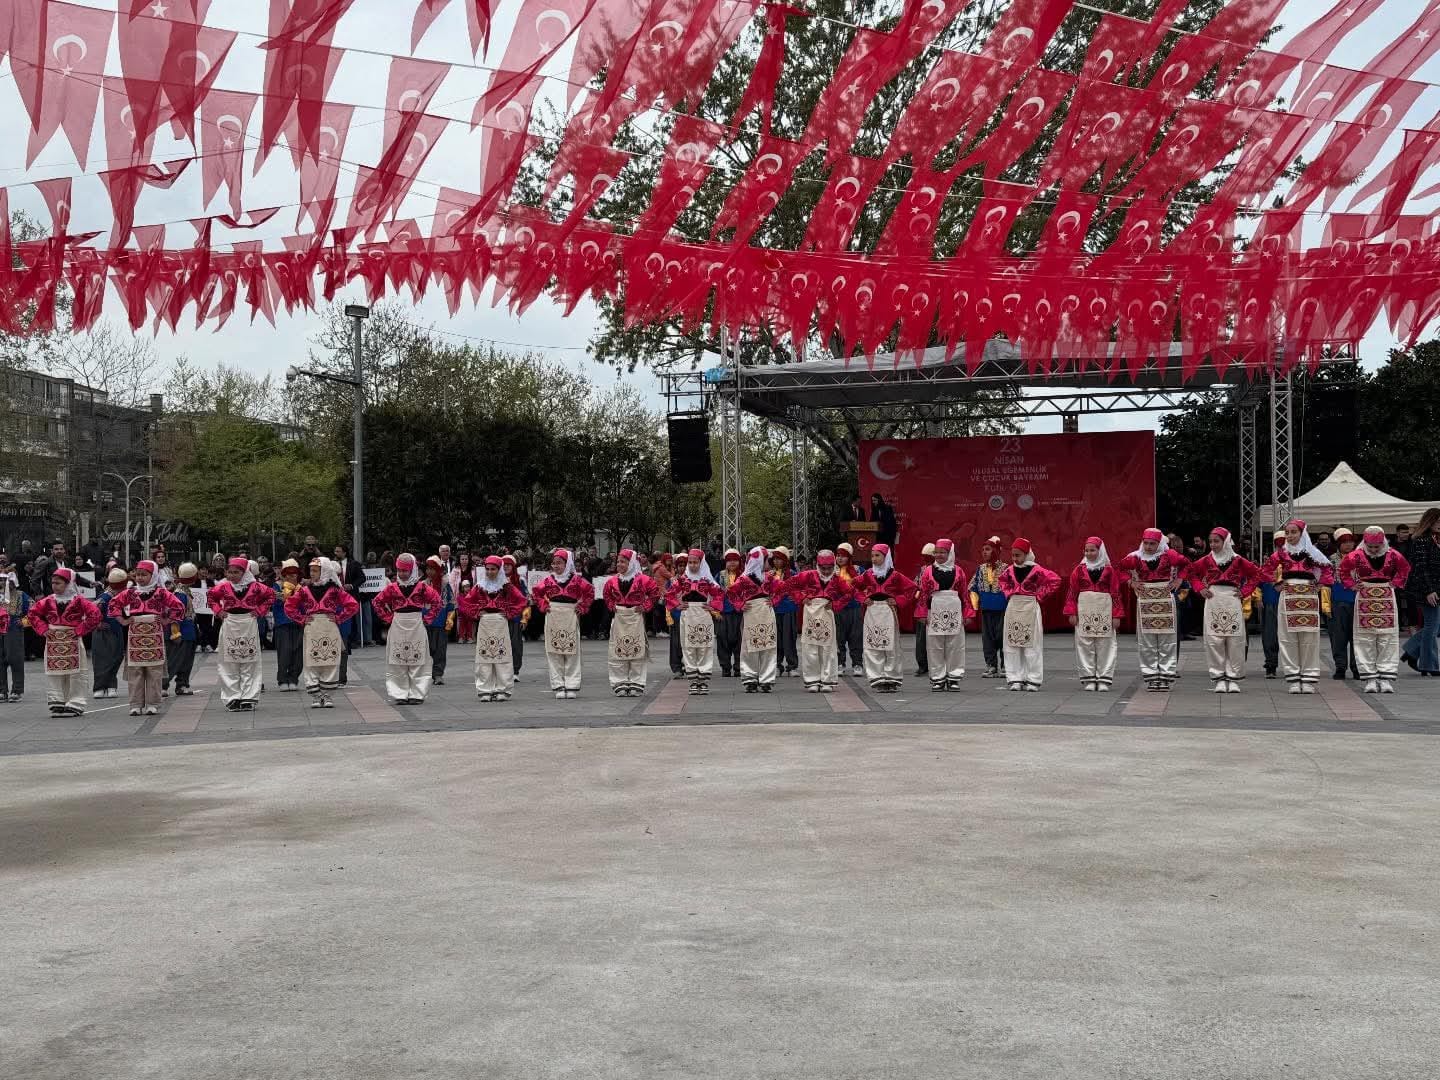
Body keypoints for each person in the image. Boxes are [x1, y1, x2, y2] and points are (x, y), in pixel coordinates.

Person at [1262, 519, 1337, 694]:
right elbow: (1264, 570)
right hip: (1287, 597)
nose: (1290, 536)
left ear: (1302, 533)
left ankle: (1309, 677)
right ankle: (1294, 678)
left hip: (1308, 597)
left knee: (1309, 638)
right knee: (1288, 638)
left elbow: (1328, 569)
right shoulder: (1280, 553)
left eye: (1293, 532)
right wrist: (1277, 583)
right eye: (1287, 532)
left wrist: (1320, 585)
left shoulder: (1313, 552)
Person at [1184, 527, 1262, 694]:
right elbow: (1190, 572)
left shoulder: (1239, 560)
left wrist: (1245, 591)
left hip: (1232, 599)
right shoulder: (1205, 560)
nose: (1213, 544)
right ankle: (1219, 677)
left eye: (1216, 541)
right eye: (1211, 541)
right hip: (1213, 599)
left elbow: (1256, 574)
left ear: (1225, 542)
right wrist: (1199, 589)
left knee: (1235, 640)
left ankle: (1234, 678)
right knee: (1214, 640)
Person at [1339, 527, 1411, 694]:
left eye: (1376, 547)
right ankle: (1370, 678)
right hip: (1364, 595)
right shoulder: (1355, 555)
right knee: (1365, 638)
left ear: (1382, 542)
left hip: (1386, 594)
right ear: (1365, 543)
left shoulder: (1393, 554)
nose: (1372, 550)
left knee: (1387, 637)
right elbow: (1343, 570)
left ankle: (1385, 678)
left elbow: (1405, 569)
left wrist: (1397, 583)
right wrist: (1351, 585)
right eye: (1369, 546)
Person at [109, 560, 184, 717]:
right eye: (137, 574)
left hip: (154, 633)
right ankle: (135, 704)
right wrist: (123, 620)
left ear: (154, 575)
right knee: (135, 670)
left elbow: (179, 607)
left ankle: (152, 703)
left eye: (144, 574)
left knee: (154, 670)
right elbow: (113, 605)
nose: (140, 578)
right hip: (135, 632)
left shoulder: (161, 593)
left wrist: (166, 621)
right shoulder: (130, 592)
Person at [1118, 529, 1189, 693]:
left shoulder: (1169, 555)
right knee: (1147, 641)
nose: (1148, 547)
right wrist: (1131, 583)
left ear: (1159, 543)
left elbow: (1186, 565)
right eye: (1146, 543)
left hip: (1165, 600)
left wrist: (1179, 579)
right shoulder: (1135, 557)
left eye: (1152, 544)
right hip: (1145, 602)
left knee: (1167, 640)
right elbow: (1119, 569)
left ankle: (1165, 676)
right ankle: (1151, 676)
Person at [285, 557, 359, 710]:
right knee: (311, 661)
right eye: (310, 570)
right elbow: (289, 605)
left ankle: (327, 694)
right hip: (311, 628)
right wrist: (302, 618)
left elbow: (352, 605)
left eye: (315, 571)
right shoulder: (304, 591)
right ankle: (316, 695)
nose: (311, 574)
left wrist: (339, 617)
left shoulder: (335, 590)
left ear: (324, 571)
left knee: (330, 660)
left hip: (329, 626)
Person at [28, 568, 102, 716]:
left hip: (73, 639)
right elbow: (32, 613)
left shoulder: (79, 600)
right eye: (53, 583)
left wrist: (79, 630)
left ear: (68, 583)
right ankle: (57, 701)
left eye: (58, 583)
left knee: (76, 673)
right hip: (53, 640)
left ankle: (75, 702)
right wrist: (43, 629)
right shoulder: (48, 600)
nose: (54, 586)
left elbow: (95, 615)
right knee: (54, 672)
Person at [372, 553, 443, 704]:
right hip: (397, 624)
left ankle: (417, 694)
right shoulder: (391, 588)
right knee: (397, 660)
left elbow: (437, 602)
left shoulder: (422, 587)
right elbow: (377, 602)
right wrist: (388, 618)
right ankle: (399, 694)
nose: (402, 574)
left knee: (418, 658)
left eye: (406, 571)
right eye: (400, 571)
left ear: (413, 571)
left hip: (417, 623)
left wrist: (428, 619)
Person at [458, 556, 528, 701]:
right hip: (484, 623)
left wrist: (509, 612)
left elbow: (522, 601)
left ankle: (502, 688)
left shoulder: (507, 586)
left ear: (499, 570)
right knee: (484, 656)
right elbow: (464, 603)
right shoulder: (479, 586)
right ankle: (485, 689)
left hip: (500, 622)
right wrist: (477, 613)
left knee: (501, 655)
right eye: (488, 569)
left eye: (493, 569)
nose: (490, 572)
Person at [998, 539, 1062, 692]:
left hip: (1030, 607)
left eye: (1018, 555)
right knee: (1012, 643)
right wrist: (1009, 593)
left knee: (1032, 644)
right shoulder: (1009, 570)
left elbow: (1055, 580)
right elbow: (1001, 581)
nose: (1015, 559)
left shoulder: (1037, 570)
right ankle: (1015, 678)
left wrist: (1038, 595)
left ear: (1027, 554)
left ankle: (1033, 678)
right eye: (1013, 555)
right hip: (1013, 607)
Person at [209, 557, 272, 711]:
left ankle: (249, 697)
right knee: (228, 661)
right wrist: (218, 611)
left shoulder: (256, 587)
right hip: (230, 622)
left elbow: (270, 596)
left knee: (250, 659)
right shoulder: (223, 587)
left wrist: (259, 611)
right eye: (229, 572)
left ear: (244, 572)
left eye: (236, 572)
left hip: (249, 622)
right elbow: (211, 597)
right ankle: (232, 697)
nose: (232, 576)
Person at [531, 548, 594, 700]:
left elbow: (590, 592)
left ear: (567, 563)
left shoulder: (577, 580)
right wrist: (543, 606)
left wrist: (582, 607)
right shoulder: (548, 581)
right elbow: (536, 593)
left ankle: (571, 684)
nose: (556, 566)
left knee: (572, 651)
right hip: (553, 615)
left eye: (559, 563)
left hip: (570, 614)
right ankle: (558, 684)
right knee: (554, 651)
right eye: (553, 563)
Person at [1064, 537, 1124, 692]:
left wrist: (1116, 615)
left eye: (1093, 550)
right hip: (1084, 611)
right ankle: (1089, 678)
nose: (1089, 553)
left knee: (1106, 644)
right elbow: (1072, 593)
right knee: (1084, 644)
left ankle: (1104, 678)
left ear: (1100, 551)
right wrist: (1071, 612)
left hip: (1104, 609)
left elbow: (1116, 594)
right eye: (1087, 550)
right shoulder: (1079, 570)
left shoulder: (1109, 570)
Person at [854, 543, 916, 693]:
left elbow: (912, 588)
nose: (874, 559)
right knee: (873, 644)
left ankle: (892, 677)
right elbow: (853, 586)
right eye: (872, 556)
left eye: (877, 556)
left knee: (891, 645)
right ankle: (877, 677)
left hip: (888, 611)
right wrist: (863, 598)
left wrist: (898, 600)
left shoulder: (895, 575)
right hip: (873, 611)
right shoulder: (868, 574)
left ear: (886, 556)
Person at [787, 550, 851, 693]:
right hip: (810, 613)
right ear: (817, 565)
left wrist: (835, 604)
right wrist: (801, 598)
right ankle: (812, 680)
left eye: (829, 568)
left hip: (827, 613)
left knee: (828, 648)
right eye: (823, 568)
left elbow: (849, 593)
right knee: (810, 647)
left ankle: (827, 679)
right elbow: (789, 585)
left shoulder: (837, 579)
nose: (827, 571)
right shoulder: (808, 575)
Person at [724, 546, 782, 694]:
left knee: (768, 645)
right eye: (767, 560)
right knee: (749, 646)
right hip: (750, 613)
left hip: (766, 612)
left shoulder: (769, 577)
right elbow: (730, 592)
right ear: (759, 561)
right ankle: (750, 678)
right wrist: (740, 605)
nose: (769, 563)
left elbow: (783, 588)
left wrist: (774, 600)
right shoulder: (743, 579)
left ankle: (766, 679)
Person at [603, 549, 658, 697]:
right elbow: (606, 595)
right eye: (618, 561)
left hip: (635, 616)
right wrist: (611, 606)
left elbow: (654, 593)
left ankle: (636, 682)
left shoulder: (643, 580)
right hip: (619, 616)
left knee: (636, 650)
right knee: (617, 650)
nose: (619, 564)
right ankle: (619, 681)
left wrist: (645, 606)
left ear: (631, 563)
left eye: (623, 561)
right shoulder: (612, 581)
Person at [917, 539, 970, 692]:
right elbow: (924, 593)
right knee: (934, 645)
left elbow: (964, 593)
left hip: (954, 608)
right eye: (937, 552)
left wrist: (967, 613)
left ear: (950, 553)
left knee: (955, 645)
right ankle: (938, 678)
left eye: (943, 552)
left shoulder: (959, 571)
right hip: (935, 609)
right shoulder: (928, 571)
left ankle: (954, 677)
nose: (939, 555)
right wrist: (922, 612)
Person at [668, 549, 721, 696]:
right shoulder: (682, 580)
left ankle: (703, 681)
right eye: (690, 562)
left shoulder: (707, 580)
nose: (692, 565)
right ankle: (692, 681)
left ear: (701, 563)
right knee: (688, 647)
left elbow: (719, 594)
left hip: (703, 615)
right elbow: (669, 594)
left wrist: (712, 607)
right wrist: (676, 605)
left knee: (704, 647)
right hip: (688, 614)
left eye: (695, 562)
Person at [1400, 508, 1440, 676]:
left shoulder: (1436, 539)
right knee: (1432, 627)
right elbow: (1421, 568)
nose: (1439, 525)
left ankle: (1411, 651)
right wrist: (1429, 590)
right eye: (1437, 522)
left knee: (1434, 627)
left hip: (1437, 588)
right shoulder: (1421, 540)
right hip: (1426, 590)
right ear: (1429, 522)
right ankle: (1428, 665)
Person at [968, 536, 1007, 679]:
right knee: (987, 639)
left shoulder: (1006, 568)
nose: (984, 552)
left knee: (1003, 637)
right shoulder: (981, 569)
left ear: (996, 550)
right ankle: (991, 665)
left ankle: (1005, 666)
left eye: (988, 549)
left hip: (1002, 609)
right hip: (986, 609)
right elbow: (972, 587)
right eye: (983, 550)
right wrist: (975, 607)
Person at [91, 567, 129, 700]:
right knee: (102, 660)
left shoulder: (122, 595)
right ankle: (99, 687)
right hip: (103, 632)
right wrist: (97, 623)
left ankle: (112, 686)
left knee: (116, 658)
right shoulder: (105, 596)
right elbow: (93, 610)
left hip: (117, 630)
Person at [1327, 529, 1360, 681]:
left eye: (1350, 541)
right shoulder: (1331, 560)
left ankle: (1357, 667)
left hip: (1357, 599)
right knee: (1338, 635)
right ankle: (1340, 666)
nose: (1348, 545)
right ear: (1338, 544)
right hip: (1337, 599)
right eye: (1344, 542)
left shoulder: (1360, 557)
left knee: (1357, 635)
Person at [165, 562, 201, 697]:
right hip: (181, 632)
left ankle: (182, 684)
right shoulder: (180, 594)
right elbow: (175, 615)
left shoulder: (183, 591)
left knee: (186, 661)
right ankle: (163, 685)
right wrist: (175, 633)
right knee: (174, 660)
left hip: (189, 630)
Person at [0, 558, 31, 702]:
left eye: (9, 580)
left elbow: (35, 612)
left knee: (15, 659)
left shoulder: (21, 595)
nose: (5, 583)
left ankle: (17, 690)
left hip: (13, 629)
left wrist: (23, 622)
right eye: (3, 580)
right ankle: (2, 690)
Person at [272, 559, 304, 692]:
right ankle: (282, 679)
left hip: (298, 623)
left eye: (294, 573)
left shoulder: (302, 589)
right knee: (284, 652)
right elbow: (274, 605)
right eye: (288, 574)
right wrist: (281, 599)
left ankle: (293, 678)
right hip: (283, 624)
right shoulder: (276, 587)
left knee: (298, 653)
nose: (291, 576)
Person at [424, 556, 456, 687]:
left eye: (433, 569)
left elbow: (451, 604)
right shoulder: (423, 585)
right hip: (426, 622)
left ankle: (438, 674)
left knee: (440, 650)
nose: (430, 571)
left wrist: (449, 620)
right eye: (428, 569)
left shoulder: (445, 586)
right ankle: (425, 674)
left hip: (441, 623)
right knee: (427, 650)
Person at [834, 543, 864, 676]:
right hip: (838, 608)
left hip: (855, 608)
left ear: (849, 557)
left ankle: (857, 664)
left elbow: (866, 585)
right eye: (838, 556)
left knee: (856, 637)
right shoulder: (831, 570)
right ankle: (840, 663)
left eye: (843, 556)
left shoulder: (858, 570)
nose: (840, 559)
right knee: (838, 637)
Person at [769, 548, 800, 677]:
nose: (776, 561)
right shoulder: (769, 574)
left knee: (789, 638)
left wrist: (796, 597)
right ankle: (777, 665)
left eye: (779, 559)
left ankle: (792, 666)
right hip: (774, 610)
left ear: (785, 560)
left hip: (788, 609)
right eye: (775, 559)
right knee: (775, 639)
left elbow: (799, 589)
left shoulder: (792, 574)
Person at [1260, 530, 1285, 678]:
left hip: (1290, 603)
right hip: (1271, 601)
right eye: (1279, 545)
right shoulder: (1270, 562)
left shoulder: (1297, 561)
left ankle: (1293, 667)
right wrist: (1258, 599)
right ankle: (1271, 665)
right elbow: (1259, 580)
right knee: (1270, 636)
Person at [715, 548, 743, 678]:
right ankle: (725, 667)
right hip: (723, 613)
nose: (732, 563)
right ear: (725, 562)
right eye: (729, 560)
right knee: (722, 640)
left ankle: (738, 667)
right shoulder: (719, 575)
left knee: (739, 641)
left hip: (739, 613)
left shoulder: (744, 575)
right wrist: (715, 611)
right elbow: (713, 594)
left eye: (735, 560)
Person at [501, 555, 529, 678]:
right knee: (501, 645)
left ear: (513, 566)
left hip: (516, 618)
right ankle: (502, 670)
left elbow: (526, 601)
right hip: (500, 618)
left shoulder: (520, 581)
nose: (506, 566)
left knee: (516, 645)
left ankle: (515, 670)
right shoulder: (496, 580)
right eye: (504, 564)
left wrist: (524, 618)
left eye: (508, 564)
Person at [333, 544, 365, 649]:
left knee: (352, 617)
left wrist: (351, 586)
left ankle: (353, 640)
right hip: (336, 596)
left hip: (350, 595)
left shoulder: (354, 564)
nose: (336, 553)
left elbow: (362, 578)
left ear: (344, 552)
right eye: (335, 551)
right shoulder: (331, 564)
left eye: (338, 551)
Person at [913, 542, 936, 679]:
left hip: (935, 606)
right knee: (921, 638)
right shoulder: (922, 569)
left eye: (928, 557)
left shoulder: (939, 569)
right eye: (924, 557)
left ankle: (936, 665)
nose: (925, 560)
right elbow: (916, 585)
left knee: (936, 638)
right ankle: (922, 665)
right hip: (923, 606)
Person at [451, 551, 478, 644]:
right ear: (459, 560)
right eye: (462, 559)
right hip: (460, 595)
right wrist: (454, 597)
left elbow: (477, 582)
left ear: (468, 559)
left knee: (472, 617)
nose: (464, 561)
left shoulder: (474, 569)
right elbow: (452, 584)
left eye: (466, 559)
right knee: (460, 617)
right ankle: (461, 636)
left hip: (472, 596)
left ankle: (471, 636)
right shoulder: (455, 570)